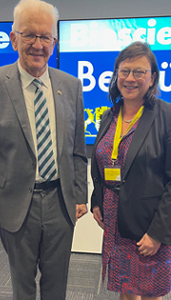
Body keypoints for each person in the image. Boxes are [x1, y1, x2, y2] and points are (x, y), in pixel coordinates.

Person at [0, 0, 87, 299]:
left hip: (61, 204)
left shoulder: (71, 86)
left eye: (45, 36)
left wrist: (79, 195)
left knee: (56, 284)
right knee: (22, 285)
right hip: (14, 206)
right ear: (14, 38)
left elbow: (76, 150)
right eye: (29, 35)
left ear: (54, 41)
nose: (38, 44)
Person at [91, 41, 171, 300]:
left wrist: (158, 232)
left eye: (139, 72)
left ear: (152, 78)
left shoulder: (165, 116)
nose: (130, 78)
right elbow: (100, 164)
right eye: (124, 71)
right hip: (115, 223)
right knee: (125, 288)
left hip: (148, 224)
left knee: (149, 292)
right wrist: (97, 201)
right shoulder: (109, 115)